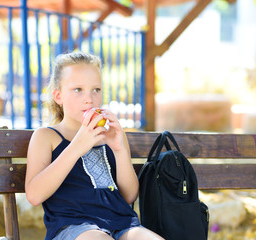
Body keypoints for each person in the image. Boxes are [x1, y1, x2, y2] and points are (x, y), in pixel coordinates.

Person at [25, 51, 164, 240]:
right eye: (78, 89)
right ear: (58, 95)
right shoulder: (46, 137)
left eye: (96, 90)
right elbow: (34, 195)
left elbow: (129, 196)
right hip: (74, 228)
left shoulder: (107, 135)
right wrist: (76, 147)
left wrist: (120, 149)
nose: (89, 98)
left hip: (123, 224)